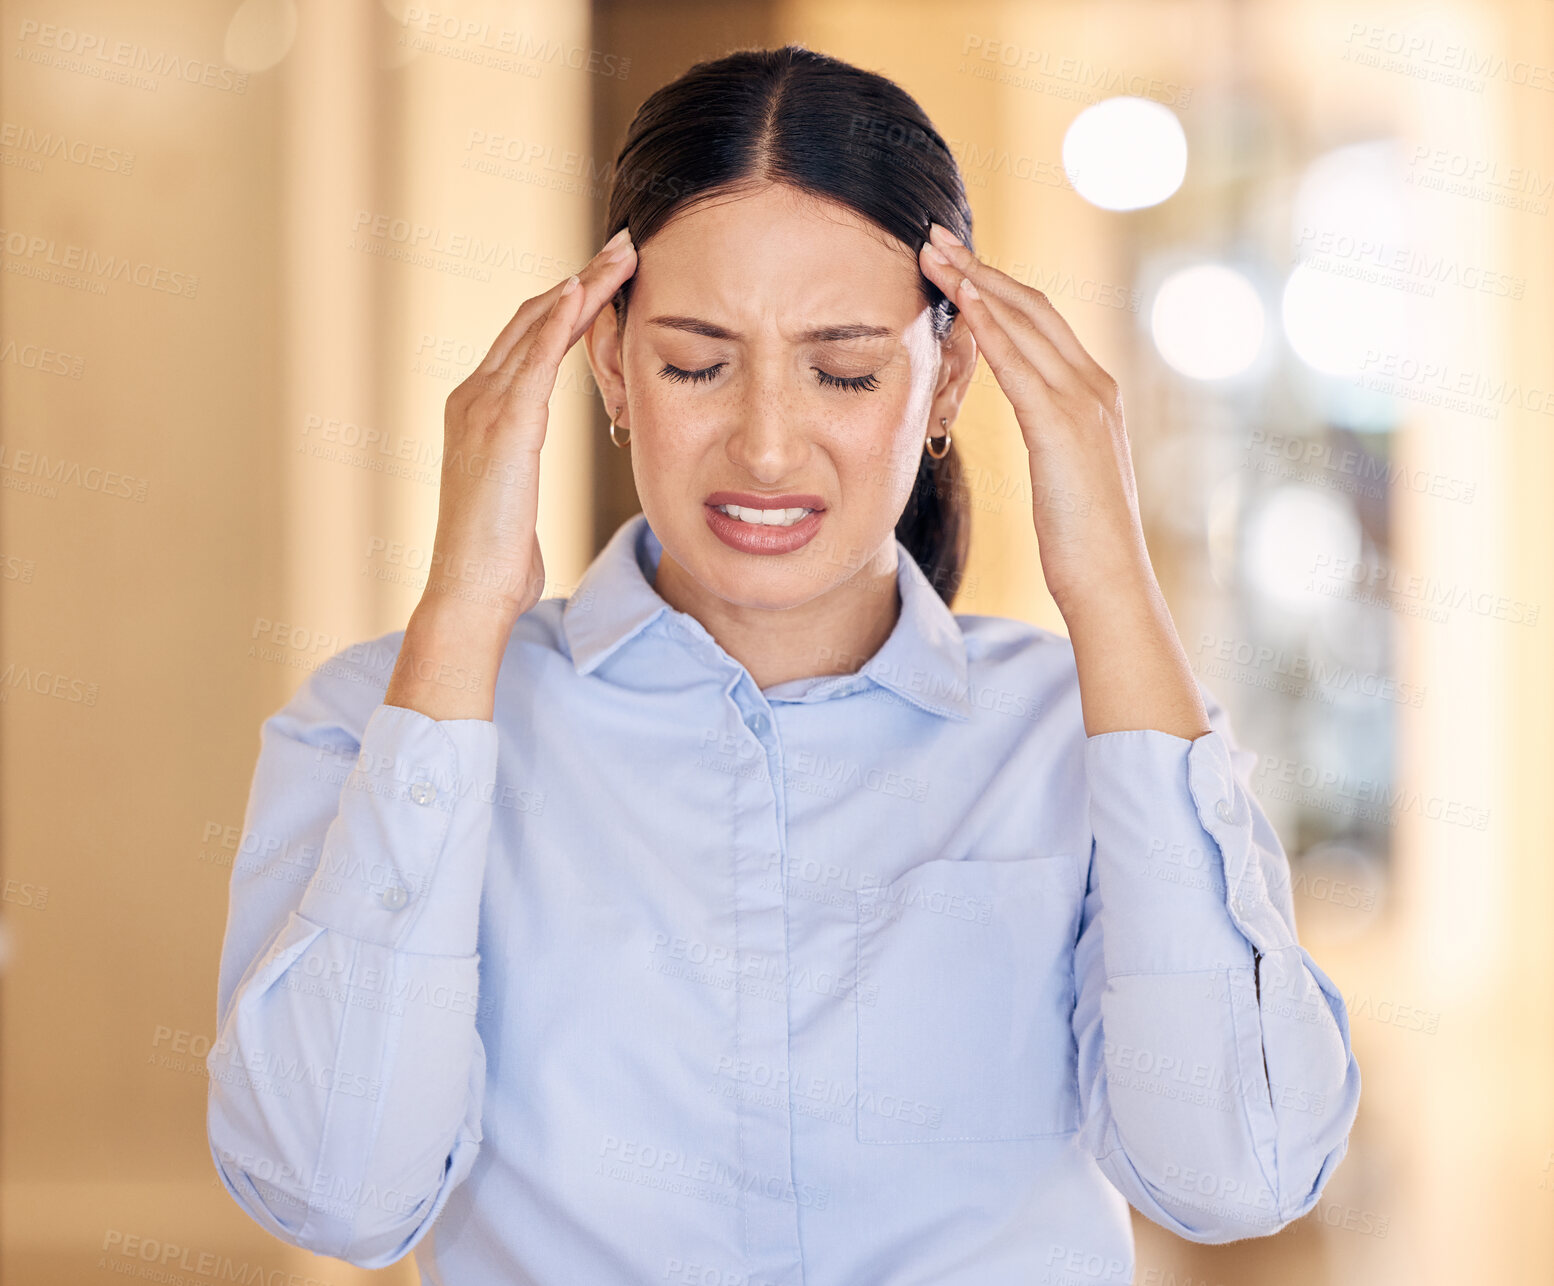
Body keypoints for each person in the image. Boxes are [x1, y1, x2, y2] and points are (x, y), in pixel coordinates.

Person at [206, 44, 1361, 1286]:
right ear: (608, 362)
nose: (764, 446)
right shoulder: (385, 720)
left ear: (948, 374)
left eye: (843, 370)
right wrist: (461, 611)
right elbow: (338, 1192)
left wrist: (1111, 586)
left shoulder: (1083, 735)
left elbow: (1232, 1176)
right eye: (694, 363)